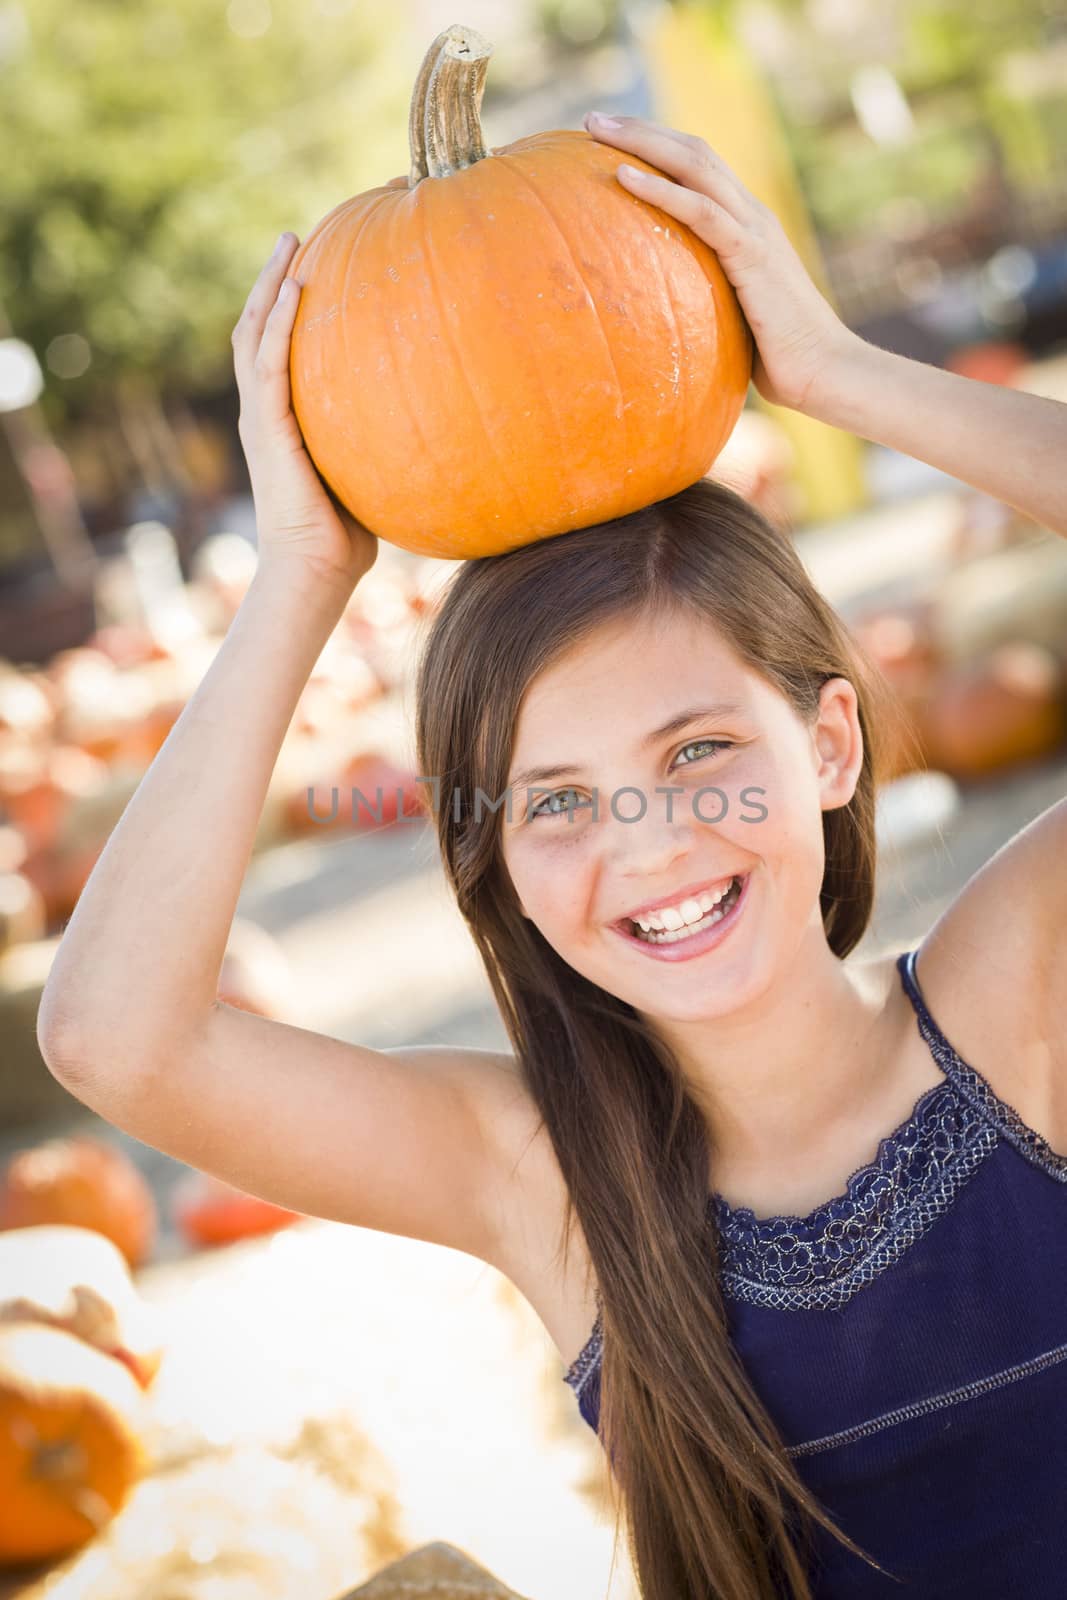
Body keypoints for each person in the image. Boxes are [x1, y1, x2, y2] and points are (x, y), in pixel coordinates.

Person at [36, 112, 1067, 1600]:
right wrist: (301, 580)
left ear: (831, 745)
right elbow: (111, 1036)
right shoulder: (549, 1185)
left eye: (700, 752)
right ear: (494, 861)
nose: (648, 842)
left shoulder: (1013, 1003)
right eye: (557, 801)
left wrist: (838, 375)